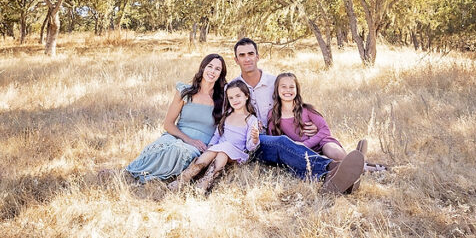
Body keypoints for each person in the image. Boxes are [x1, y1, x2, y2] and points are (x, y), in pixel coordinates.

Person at [231, 37, 365, 193]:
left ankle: (338, 177)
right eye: (242, 55)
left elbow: (292, 102)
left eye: (250, 54)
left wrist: (309, 123)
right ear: (236, 59)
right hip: (254, 140)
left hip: (275, 140)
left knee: (288, 159)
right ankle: (333, 167)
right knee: (282, 143)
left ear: (257, 56)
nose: (247, 59)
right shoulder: (233, 87)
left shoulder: (275, 82)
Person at [125, 54, 226, 183]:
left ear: (221, 74)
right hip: (177, 136)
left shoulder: (223, 98)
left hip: (200, 144)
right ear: (202, 68)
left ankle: (155, 179)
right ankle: (132, 173)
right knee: (159, 148)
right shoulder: (185, 92)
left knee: (179, 151)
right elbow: (168, 124)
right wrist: (189, 140)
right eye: (210, 66)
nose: (212, 71)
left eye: (217, 69)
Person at [170, 79, 261, 193]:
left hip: (236, 153)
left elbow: (250, 147)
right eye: (231, 98)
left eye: (238, 96)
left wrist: (255, 138)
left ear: (246, 96)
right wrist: (211, 145)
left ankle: (206, 181)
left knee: (223, 151)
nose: (235, 100)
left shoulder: (251, 119)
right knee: (212, 152)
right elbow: (217, 134)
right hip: (220, 148)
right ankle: (183, 178)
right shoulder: (227, 114)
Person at [267, 72, 347, 161]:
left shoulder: (307, 109)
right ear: (277, 90)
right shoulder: (273, 114)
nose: (288, 90)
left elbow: (325, 130)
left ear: (297, 90)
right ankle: (338, 166)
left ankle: (359, 164)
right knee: (319, 162)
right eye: (283, 86)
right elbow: (273, 140)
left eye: (292, 87)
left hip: (321, 143)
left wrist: (305, 144)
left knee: (335, 153)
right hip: (299, 152)